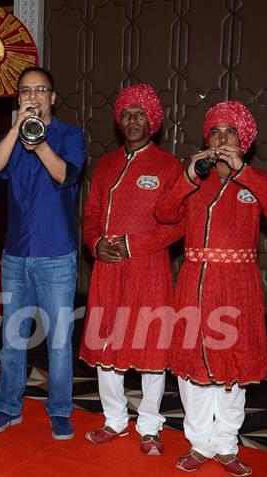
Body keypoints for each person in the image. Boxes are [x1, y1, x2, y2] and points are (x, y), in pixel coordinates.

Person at [155, 101, 267, 476]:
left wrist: (245, 172)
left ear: (243, 142)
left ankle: (227, 445)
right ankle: (199, 443)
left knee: (234, 368)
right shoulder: (195, 181)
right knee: (192, 368)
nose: (222, 138)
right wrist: (187, 175)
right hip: (195, 284)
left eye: (231, 132)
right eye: (215, 132)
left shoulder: (253, 180)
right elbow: (165, 213)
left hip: (237, 287)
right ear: (206, 140)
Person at [0, 66, 86, 440]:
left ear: (53, 98)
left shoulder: (69, 135)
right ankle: (8, 408)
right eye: (26, 90)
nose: (34, 95)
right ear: (19, 97)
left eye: (41, 89)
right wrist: (16, 129)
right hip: (15, 254)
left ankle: (59, 410)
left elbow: (65, 175)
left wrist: (38, 142)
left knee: (58, 341)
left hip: (56, 254)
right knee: (12, 339)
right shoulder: (12, 138)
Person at [79, 84, 183, 454]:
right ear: (119, 122)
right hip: (107, 270)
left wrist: (129, 245)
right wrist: (95, 244)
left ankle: (150, 425)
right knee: (106, 344)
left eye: (141, 114)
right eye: (127, 114)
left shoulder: (170, 168)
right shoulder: (105, 165)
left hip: (149, 269)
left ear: (153, 122)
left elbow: (177, 225)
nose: (133, 120)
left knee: (150, 346)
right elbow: (91, 216)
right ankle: (114, 419)